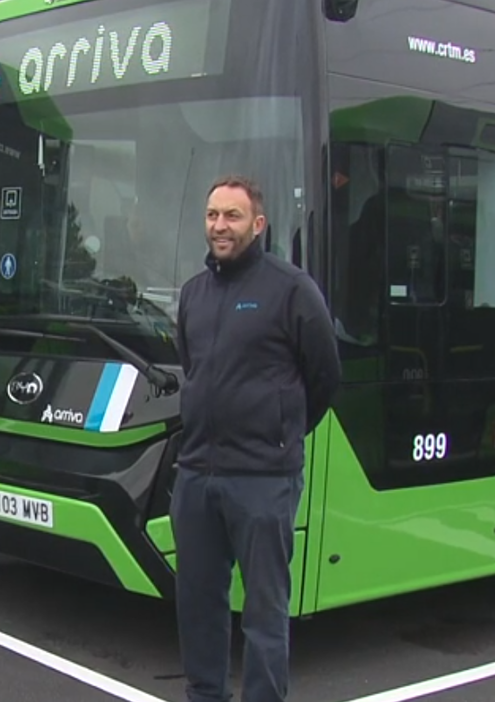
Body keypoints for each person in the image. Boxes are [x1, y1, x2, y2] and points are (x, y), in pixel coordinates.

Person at [171, 175, 341, 702]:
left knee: (265, 612)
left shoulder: (290, 289)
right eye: (212, 216)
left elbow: (325, 375)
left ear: (258, 224)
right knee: (199, 603)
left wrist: (280, 433)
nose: (220, 226)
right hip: (197, 475)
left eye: (232, 216)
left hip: (263, 480)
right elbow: (191, 367)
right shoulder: (194, 294)